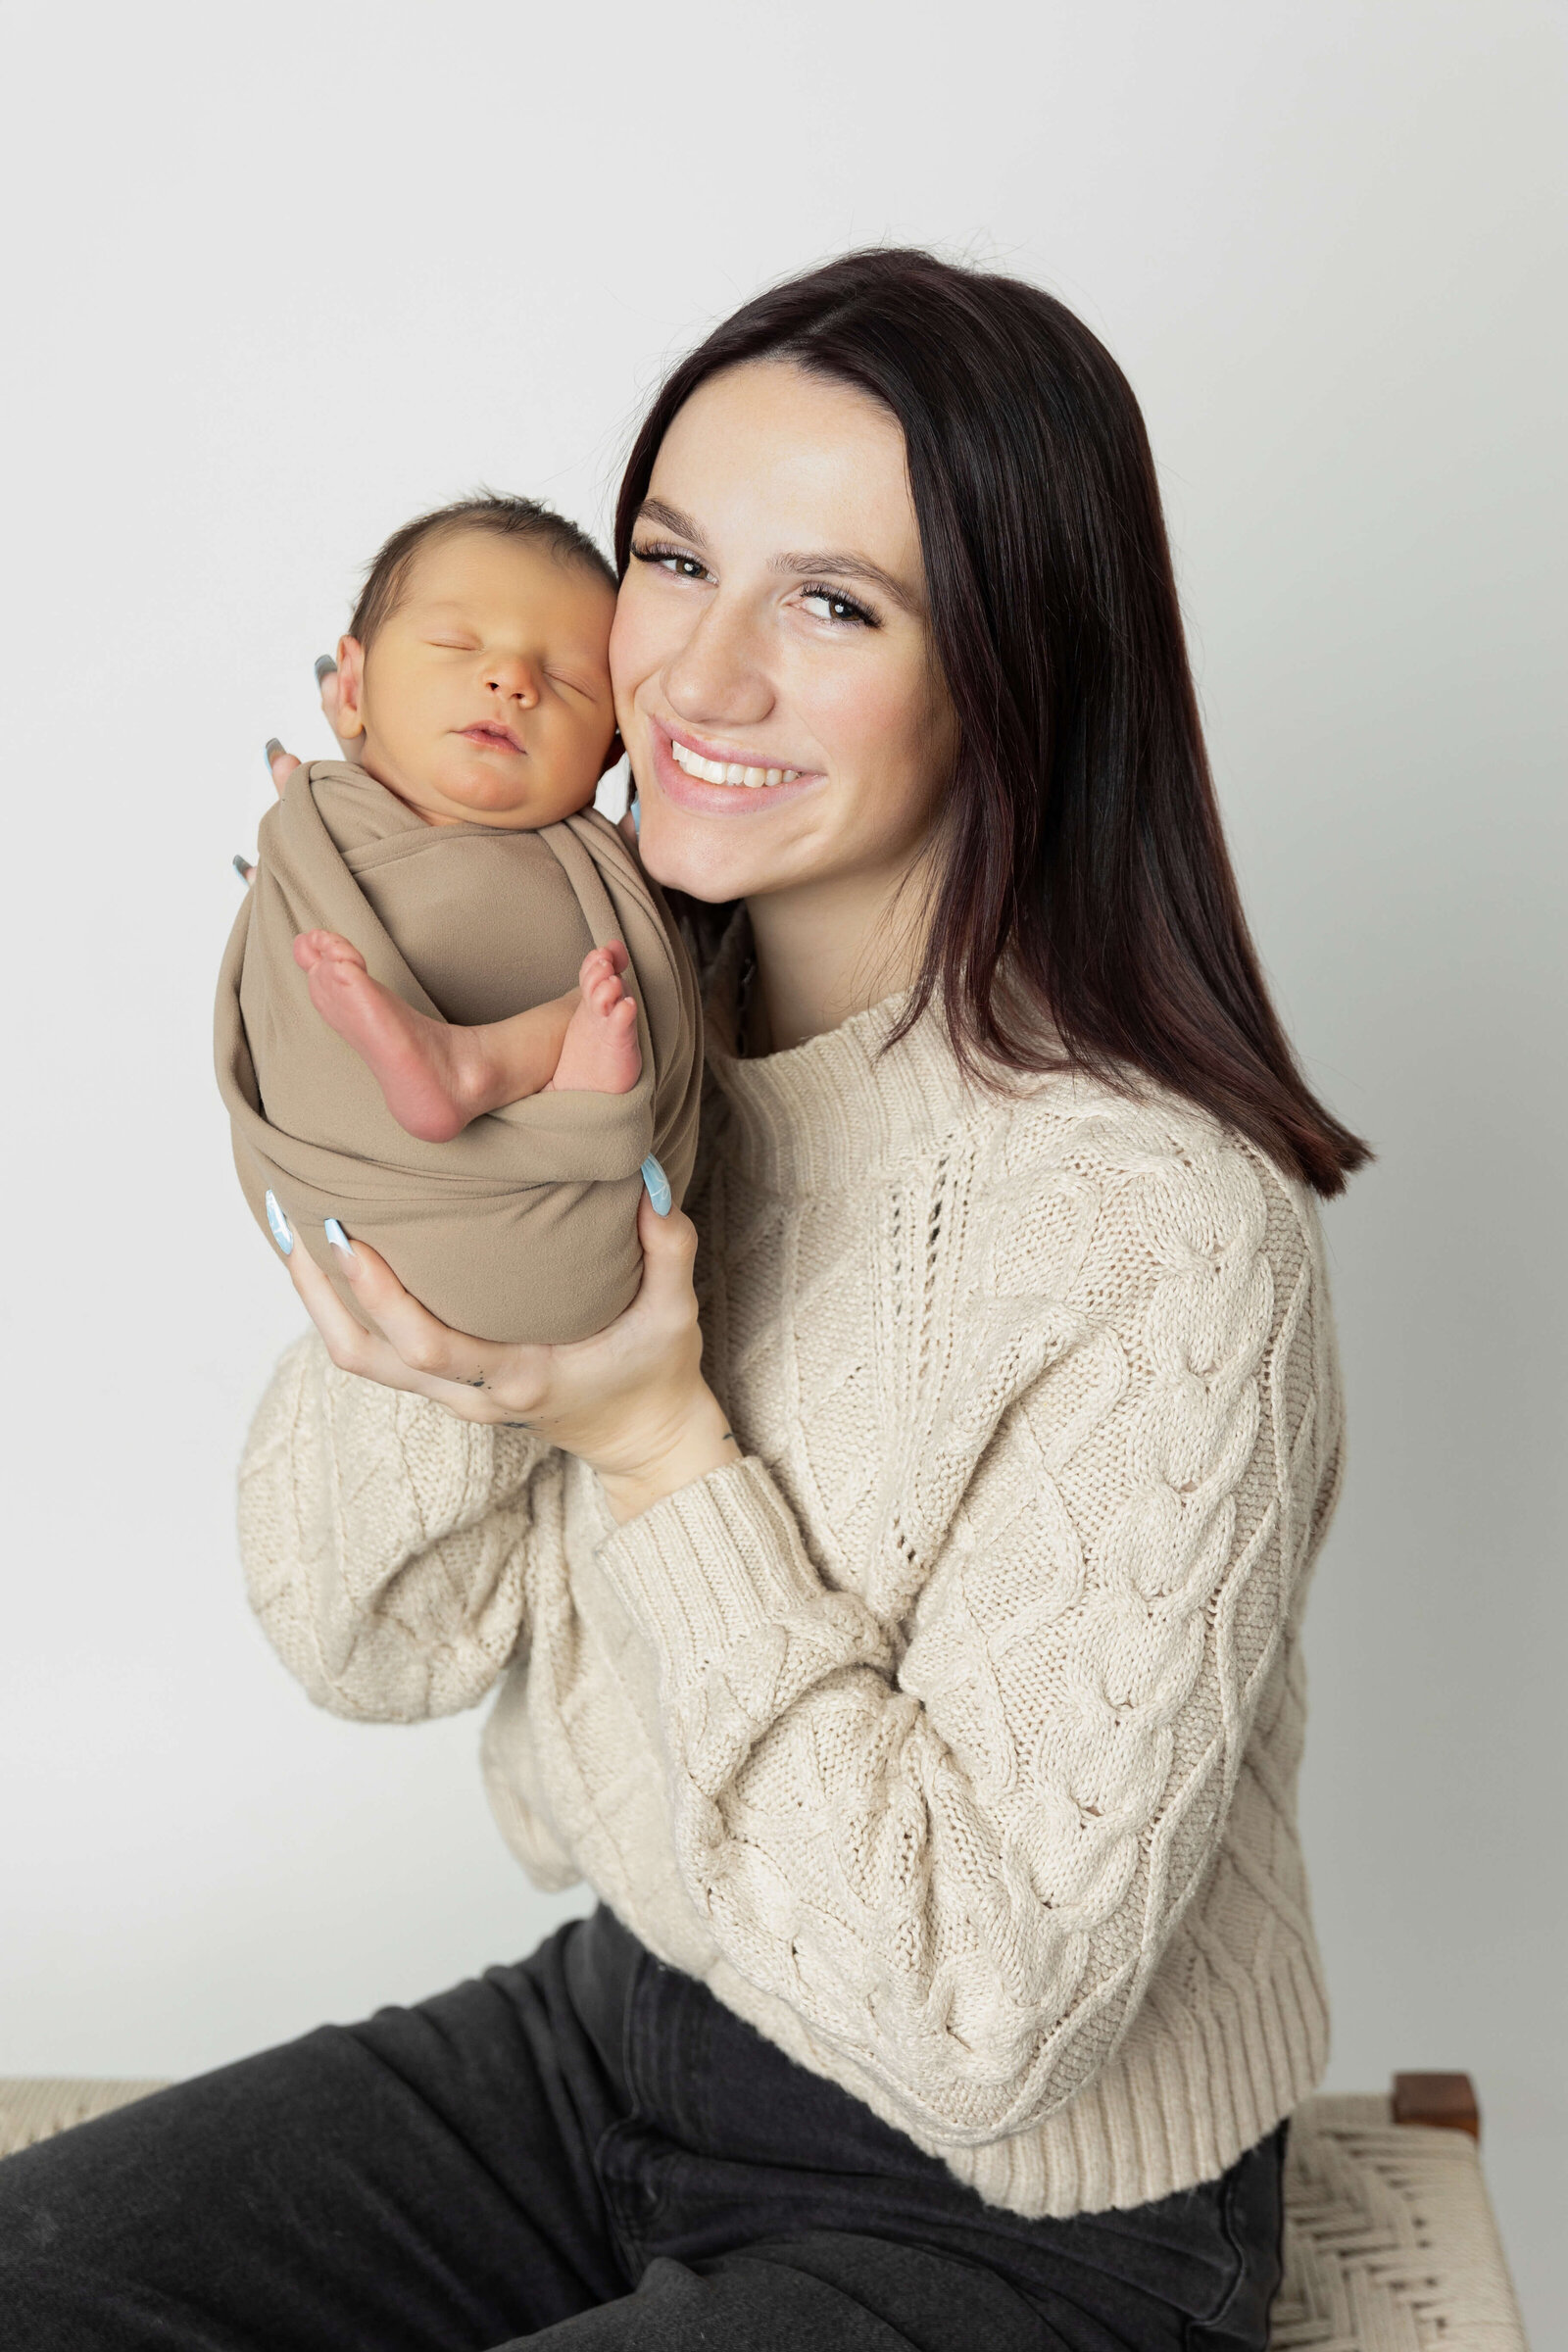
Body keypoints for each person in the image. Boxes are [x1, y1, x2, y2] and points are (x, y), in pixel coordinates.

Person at [2, 248, 1367, 2350]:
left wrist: (658, 1445)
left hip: (1017, 2205)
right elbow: (357, 1637)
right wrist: (471, 1185)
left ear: (1014, 667)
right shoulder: (604, 1036)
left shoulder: (1161, 1234)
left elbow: (978, 2020)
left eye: (833, 605)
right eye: (669, 560)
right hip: (623, 2033)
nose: (693, 682)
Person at [215, 494, 703, 1347]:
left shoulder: (601, 866)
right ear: (353, 687)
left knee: (627, 989)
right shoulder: (318, 828)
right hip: (371, 1223)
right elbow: (276, 1019)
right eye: (455, 644)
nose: (513, 680)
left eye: (569, 681)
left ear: (609, 755)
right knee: (609, 999)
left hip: (578, 1252)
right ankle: (516, 1069)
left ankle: (496, 1069)